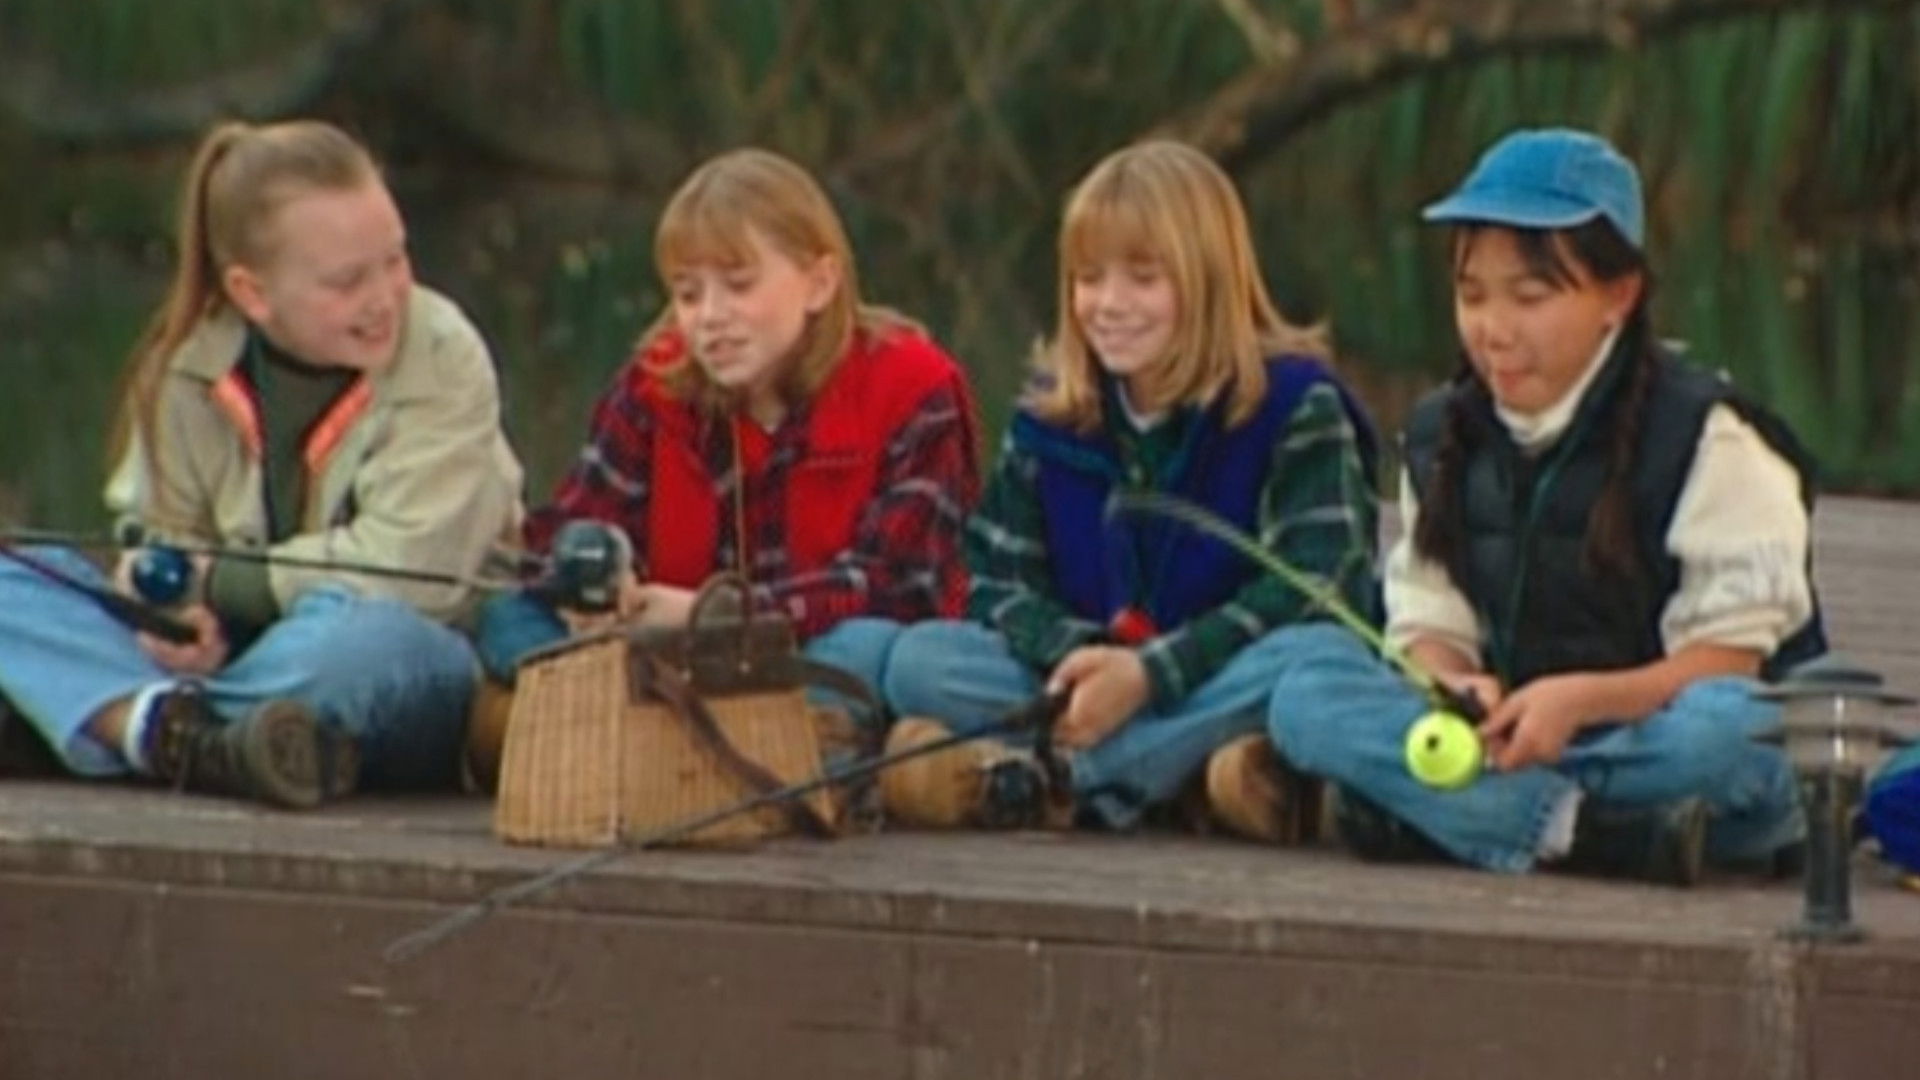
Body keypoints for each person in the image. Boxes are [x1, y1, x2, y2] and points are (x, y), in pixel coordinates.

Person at [1266, 128, 1824, 883]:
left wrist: (1581, 704)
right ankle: (1588, 832)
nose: (1493, 329)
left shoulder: (1712, 437)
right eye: (1472, 296)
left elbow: (1729, 662)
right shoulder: (1439, 435)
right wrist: (1450, 681)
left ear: (1618, 296)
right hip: (1507, 739)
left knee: (1730, 734)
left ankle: (1447, 814)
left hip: (1657, 734)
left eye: (1530, 297)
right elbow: (1430, 623)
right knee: (1304, 693)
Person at [0, 119, 525, 808]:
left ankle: (114, 721)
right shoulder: (186, 365)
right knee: (16, 577)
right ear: (252, 293)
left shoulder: (445, 354)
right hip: (228, 665)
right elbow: (161, 537)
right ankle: (180, 736)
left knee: (363, 641)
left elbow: (409, 573)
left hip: (398, 656)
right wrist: (179, 614)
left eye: (396, 258)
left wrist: (219, 584)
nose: (384, 296)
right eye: (347, 280)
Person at [877, 140, 1379, 840]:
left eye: (1144, 279)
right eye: (1088, 279)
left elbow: (1321, 587)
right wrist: (1085, 661)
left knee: (1315, 659)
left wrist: (1147, 675)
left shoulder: (1294, 404)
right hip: (1087, 686)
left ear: (1208, 279)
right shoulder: (1052, 417)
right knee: (918, 663)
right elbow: (993, 580)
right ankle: (1186, 780)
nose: (1109, 305)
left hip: (1220, 672)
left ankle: (1060, 781)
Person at [472, 148, 981, 725]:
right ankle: (631, 719)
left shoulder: (916, 387)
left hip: (816, 646)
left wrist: (718, 617)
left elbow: (901, 585)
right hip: (672, 648)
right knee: (509, 618)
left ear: (819, 284)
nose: (710, 317)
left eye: (738, 286)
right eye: (689, 295)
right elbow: (567, 527)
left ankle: (644, 719)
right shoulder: (653, 385)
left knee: (873, 649)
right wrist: (594, 581)